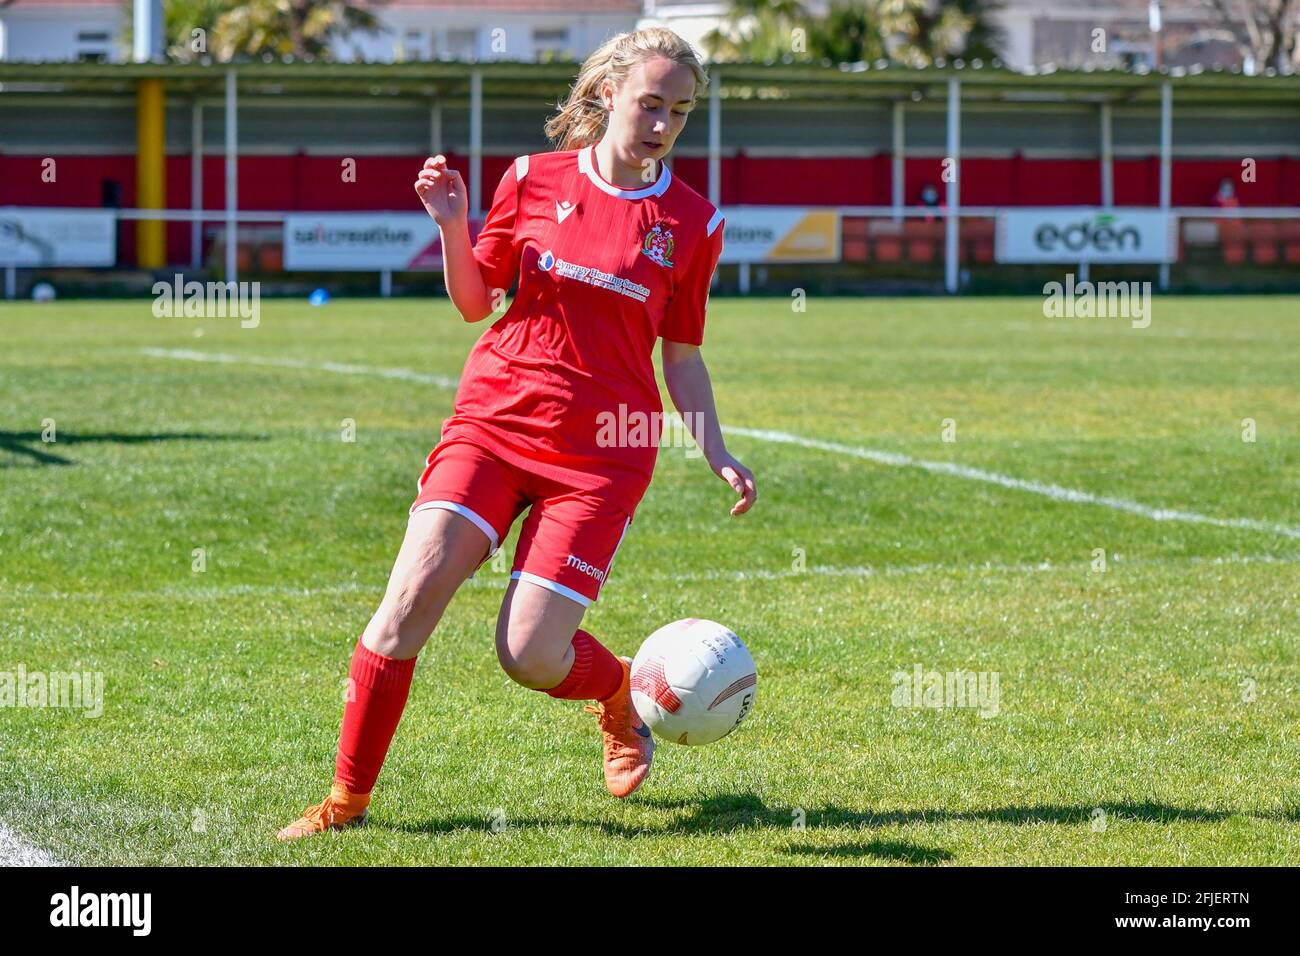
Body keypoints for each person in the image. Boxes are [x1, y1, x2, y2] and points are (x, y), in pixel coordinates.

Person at [277, 27, 757, 840]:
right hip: (492, 427)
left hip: (602, 459)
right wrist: (452, 225)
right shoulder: (532, 179)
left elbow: (682, 356)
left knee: (530, 654)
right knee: (405, 607)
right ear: (609, 93)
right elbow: (475, 303)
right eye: (650, 104)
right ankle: (345, 805)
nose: (663, 124)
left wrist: (714, 445)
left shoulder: (694, 222)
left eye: (680, 111)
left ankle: (616, 697)